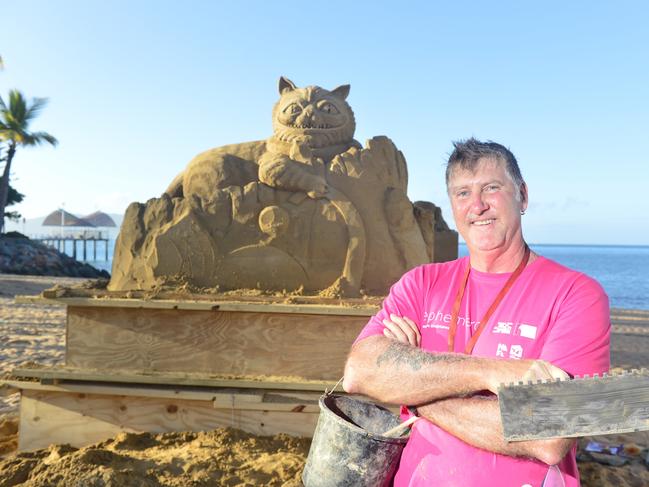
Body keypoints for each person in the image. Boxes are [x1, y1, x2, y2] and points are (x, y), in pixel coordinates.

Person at [343, 138, 610, 487]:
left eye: (492, 188)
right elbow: (358, 372)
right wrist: (492, 373)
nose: (478, 205)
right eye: (463, 193)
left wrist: (414, 390)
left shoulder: (577, 294)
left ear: (523, 196)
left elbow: (549, 434)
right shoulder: (422, 284)